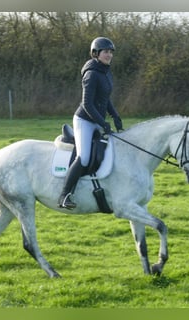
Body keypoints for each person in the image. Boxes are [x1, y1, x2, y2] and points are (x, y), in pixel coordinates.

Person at [58, 36, 123, 209]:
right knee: (84, 157)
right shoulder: (92, 74)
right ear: (96, 53)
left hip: (97, 120)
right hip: (84, 120)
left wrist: (115, 116)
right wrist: (103, 123)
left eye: (110, 52)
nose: (109, 55)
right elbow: (87, 104)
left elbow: (105, 99)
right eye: (105, 52)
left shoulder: (106, 72)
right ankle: (64, 195)